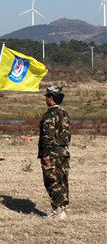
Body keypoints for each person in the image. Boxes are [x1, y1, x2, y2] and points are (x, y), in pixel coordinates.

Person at [39, 85, 71, 220]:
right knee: (62, 180)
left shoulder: (50, 114)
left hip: (52, 152)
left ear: (51, 98)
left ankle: (57, 211)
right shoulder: (64, 113)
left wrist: (46, 153)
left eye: (47, 96)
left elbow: (48, 135)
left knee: (53, 181)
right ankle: (62, 208)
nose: (46, 99)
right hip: (63, 151)